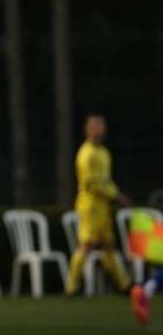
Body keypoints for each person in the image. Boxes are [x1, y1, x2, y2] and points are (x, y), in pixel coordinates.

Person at [64, 113, 132, 296]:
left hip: (103, 207)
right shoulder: (86, 154)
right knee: (86, 244)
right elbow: (92, 184)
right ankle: (71, 287)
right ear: (88, 129)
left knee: (109, 245)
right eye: (96, 126)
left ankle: (124, 284)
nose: (100, 130)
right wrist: (116, 196)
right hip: (89, 206)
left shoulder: (104, 152)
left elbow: (106, 181)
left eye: (102, 126)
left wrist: (115, 194)